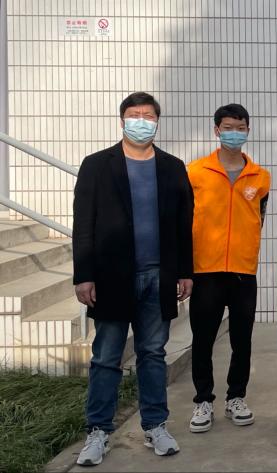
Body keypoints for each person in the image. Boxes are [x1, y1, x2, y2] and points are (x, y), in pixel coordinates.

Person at [73, 92, 193, 465]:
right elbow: (83, 224)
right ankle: (98, 431)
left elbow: (183, 224)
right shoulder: (97, 165)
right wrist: (84, 275)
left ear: (157, 121)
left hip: (159, 276)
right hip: (111, 277)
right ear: (122, 120)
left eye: (149, 115)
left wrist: (185, 271)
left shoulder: (172, 167)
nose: (142, 121)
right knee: (107, 356)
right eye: (134, 114)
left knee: (153, 353)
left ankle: (155, 425)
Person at [186, 104, 271, 434]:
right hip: (205, 269)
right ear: (216, 131)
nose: (234, 132)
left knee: (242, 339)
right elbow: (184, 220)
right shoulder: (196, 172)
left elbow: (258, 219)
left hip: (243, 270)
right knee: (203, 339)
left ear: (248, 130)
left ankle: (236, 397)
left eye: (240, 127)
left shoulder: (260, 176)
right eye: (227, 127)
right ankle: (202, 400)